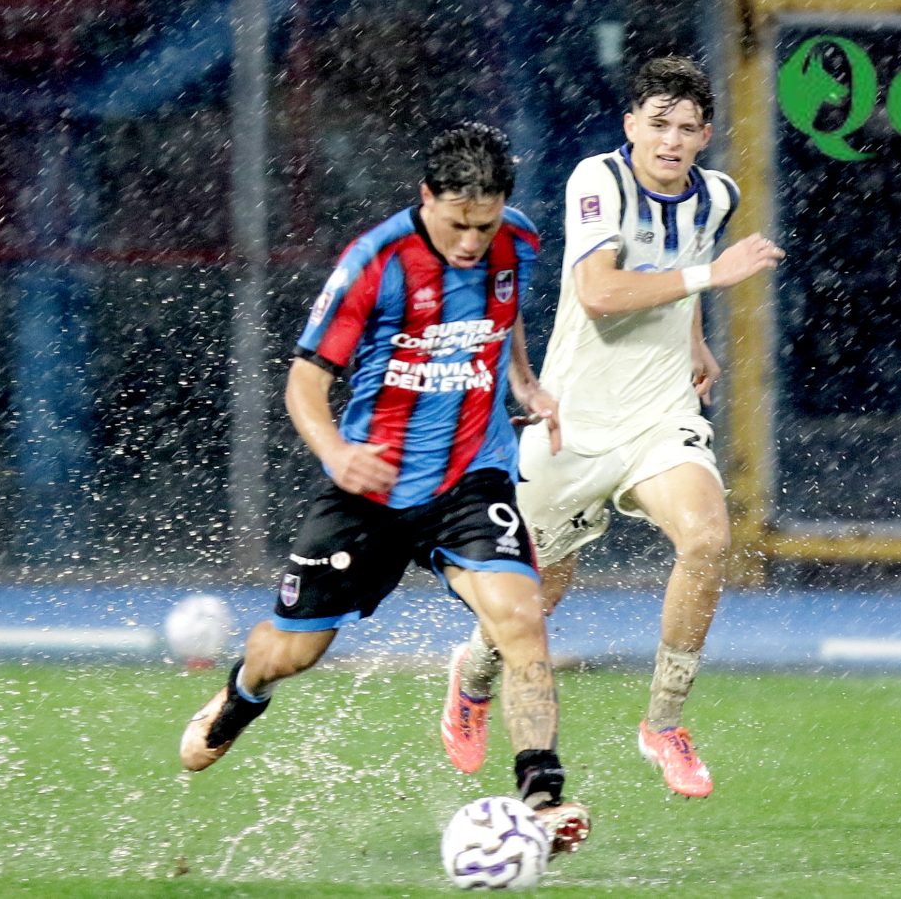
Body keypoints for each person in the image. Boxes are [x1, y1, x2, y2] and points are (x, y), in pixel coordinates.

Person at [180, 122, 589, 855]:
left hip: (472, 478)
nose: (472, 242)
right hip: (371, 485)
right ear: (426, 197)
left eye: (486, 224)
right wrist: (336, 452)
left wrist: (524, 382)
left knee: (521, 618)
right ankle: (243, 691)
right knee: (292, 654)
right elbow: (304, 382)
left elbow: (505, 315)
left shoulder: (518, 241)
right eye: (458, 224)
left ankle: (541, 797)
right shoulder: (375, 263)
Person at [440, 58, 785, 797]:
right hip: (574, 422)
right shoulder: (599, 180)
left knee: (707, 539)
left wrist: (694, 338)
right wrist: (712, 279)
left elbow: (684, 265)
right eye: (658, 124)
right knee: (532, 602)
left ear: (705, 136)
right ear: (631, 125)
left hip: (660, 415)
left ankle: (664, 723)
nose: (671, 140)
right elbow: (598, 292)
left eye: (687, 128)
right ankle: (471, 677)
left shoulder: (716, 196)